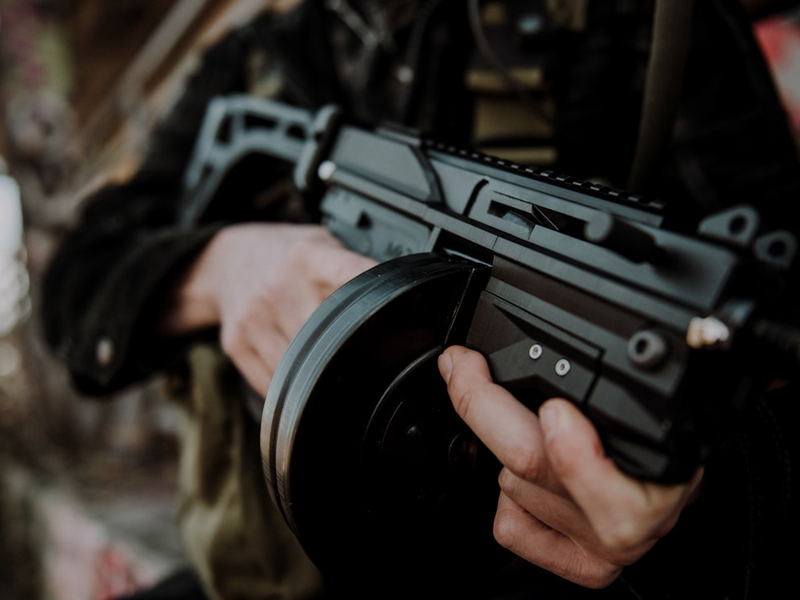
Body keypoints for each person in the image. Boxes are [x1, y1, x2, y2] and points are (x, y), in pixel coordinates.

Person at [40, 1, 800, 599]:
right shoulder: (254, 65)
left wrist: (701, 503)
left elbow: (768, 337)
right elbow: (76, 287)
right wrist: (226, 267)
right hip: (277, 561)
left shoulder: (640, 24)